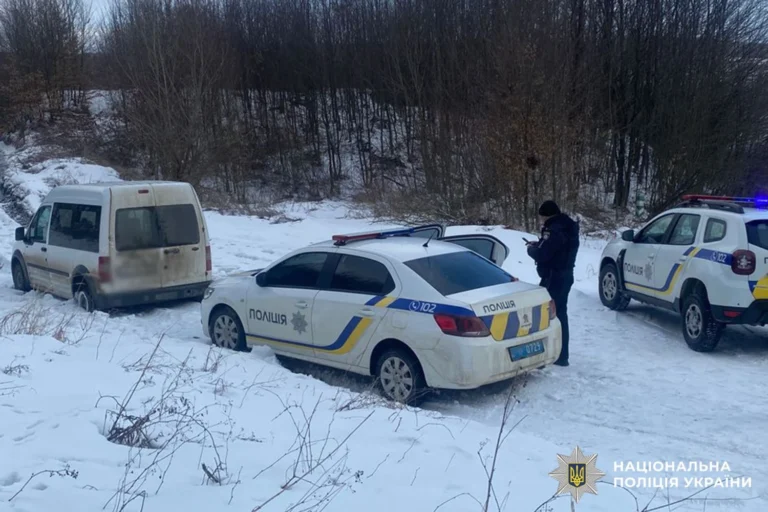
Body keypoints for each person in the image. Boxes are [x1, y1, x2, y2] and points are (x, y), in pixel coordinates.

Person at [526, 200, 579, 367]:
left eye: (542, 217)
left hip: (553, 277)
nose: (541, 220)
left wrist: (531, 250)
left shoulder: (554, 230)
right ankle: (561, 355)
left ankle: (551, 355)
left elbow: (545, 254)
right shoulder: (568, 227)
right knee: (560, 313)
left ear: (547, 215)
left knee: (547, 315)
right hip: (565, 275)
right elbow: (556, 249)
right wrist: (540, 244)